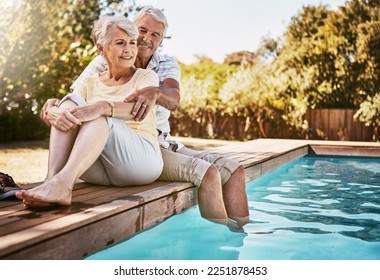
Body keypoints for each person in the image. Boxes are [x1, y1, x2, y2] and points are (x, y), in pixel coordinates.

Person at [41, 6, 249, 230]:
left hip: (161, 141)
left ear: (161, 40)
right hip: (128, 145)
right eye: (142, 30)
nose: (146, 39)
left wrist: (156, 92)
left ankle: (241, 232)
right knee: (208, 173)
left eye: (155, 34)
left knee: (234, 170)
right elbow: (75, 98)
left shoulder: (164, 64)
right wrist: (55, 105)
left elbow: (174, 98)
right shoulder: (104, 60)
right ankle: (217, 240)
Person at [16, 15, 164, 208]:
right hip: (96, 167)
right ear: (102, 49)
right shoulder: (89, 82)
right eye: (120, 43)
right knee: (69, 104)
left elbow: (137, 111)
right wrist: (54, 111)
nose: (129, 50)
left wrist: (102, 107)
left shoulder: (145, 77)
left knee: (98, 116)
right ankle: (51, 182)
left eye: (132, 43)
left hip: (140, 164)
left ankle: (63, 184)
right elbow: (69, 112)